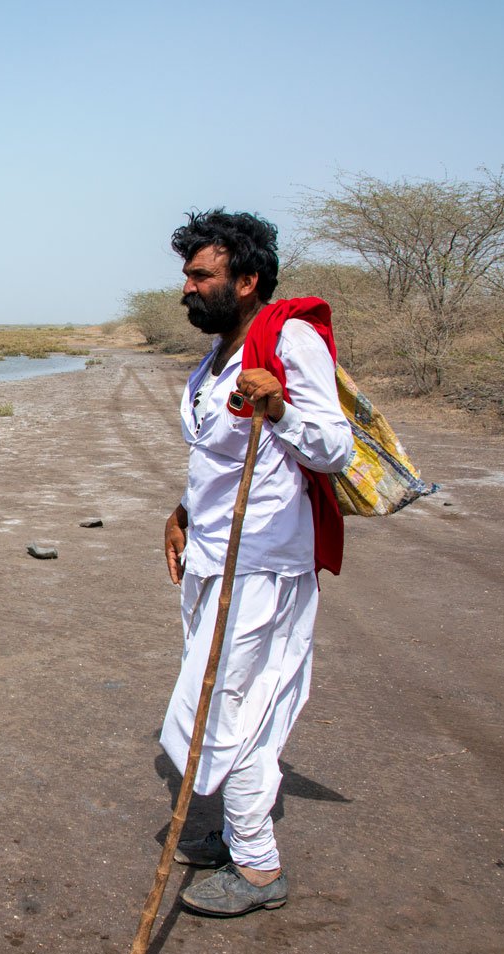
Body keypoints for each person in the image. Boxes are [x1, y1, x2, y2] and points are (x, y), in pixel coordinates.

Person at [160, 209, 353, 916]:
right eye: (185, 274)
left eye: (199, 275)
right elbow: (211, 459)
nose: (185, 288)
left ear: (245, 281)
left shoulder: (289, 341)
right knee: (214, 701)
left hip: (263, 564)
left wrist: (279, 411)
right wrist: (181, 514)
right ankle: (234, 837)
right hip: (213, 557)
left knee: (223, 710)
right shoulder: (212, 362)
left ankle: (260, 869)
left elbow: (334, 450)